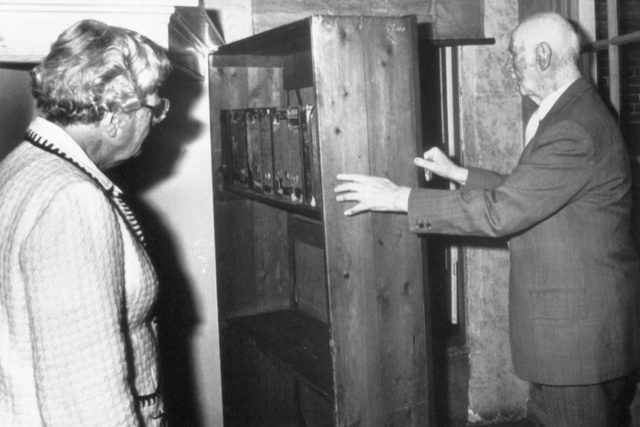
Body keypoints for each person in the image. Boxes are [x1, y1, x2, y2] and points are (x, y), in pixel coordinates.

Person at [335, 12, 640, 427]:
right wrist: (458, 174)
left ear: (544, 55)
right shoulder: (576, 111)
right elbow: (529, 192)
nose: (510, 67)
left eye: (515, 56)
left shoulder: (573, 127)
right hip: (579, 338)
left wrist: (399, 198)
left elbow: (501, 212)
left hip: (577, 346)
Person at [0, 19, 172, 426]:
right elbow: (88, 399)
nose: (156, 120)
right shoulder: (72, 200)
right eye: (154, 107)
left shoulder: (18, 166)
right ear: (116, 118)